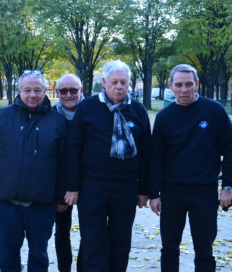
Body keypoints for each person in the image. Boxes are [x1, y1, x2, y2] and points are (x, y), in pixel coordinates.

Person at [0, 70, 69, 272]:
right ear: (19, 91)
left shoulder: (58, 121)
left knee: (39, 256)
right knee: (8, 257)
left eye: (37, 90)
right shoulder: (1, 116)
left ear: (45, 91)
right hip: (6, 205)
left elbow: (63, 163)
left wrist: (61, 196)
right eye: (27, 90)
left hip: (42, 206)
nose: (32, 95)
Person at [148, 64, 232, 272]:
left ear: (197, 84)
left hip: (204, 192)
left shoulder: (214, 111)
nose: (184, 90)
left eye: (189, 84)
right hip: (172, 192)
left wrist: (227, 186)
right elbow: (156, 158)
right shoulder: (164, 117)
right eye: (178, 85)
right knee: (169, 248)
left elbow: (230, 150)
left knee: (204, 250)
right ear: (170, 86)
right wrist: (154, 194)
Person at [64, 60, 151, 272]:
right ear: (104, 82)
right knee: (94, 242)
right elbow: (73, 148)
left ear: (130, 83)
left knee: (121, 243)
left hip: (126, 187)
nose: (119, 86)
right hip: (92, 187)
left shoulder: (138, 110)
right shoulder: (88, 107)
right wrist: (72, 186)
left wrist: (144, 190)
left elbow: (148, 153)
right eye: (114, 82)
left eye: (124, 82)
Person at [52, 74, 84, 272]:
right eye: (64, 90)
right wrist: (60, 191)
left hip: (89, 184)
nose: (69, 94)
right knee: (62, 232)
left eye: (74, 90)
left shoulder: (91, 112)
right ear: (57, 92)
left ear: (81, 90)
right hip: (61, 185)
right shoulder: (50, 116)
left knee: (89, 232)